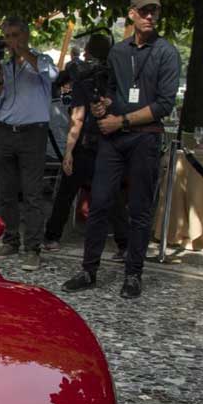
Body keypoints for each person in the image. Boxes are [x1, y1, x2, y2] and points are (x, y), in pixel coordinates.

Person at [63, 0, 182, 300]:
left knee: (140, 207)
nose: (150, 16)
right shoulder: (118, 52)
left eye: (154, 11)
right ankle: (89, 269)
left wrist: (122, 121)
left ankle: (133, 274)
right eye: (144, 11)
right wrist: (103, 105)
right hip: (113, 138)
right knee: (100, 202)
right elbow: (113, 91)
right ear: (132, 13)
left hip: (145, 137)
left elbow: (164, 104)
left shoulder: (166, 53)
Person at [42, 33, 126, 257]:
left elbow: (77, 118)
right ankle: (124, 243)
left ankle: (52, 236)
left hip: (88, 142)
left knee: (67, 191)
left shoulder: (85, 78)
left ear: (89, 52)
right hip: (108, 142)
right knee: (113, 194)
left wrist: (69, 151)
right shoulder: (116, 76)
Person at [0, 16, 57, 267]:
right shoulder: (5, 65)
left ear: (26, 35)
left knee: (32, 192)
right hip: (6, 130)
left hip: (32, 132)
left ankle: (33, 247)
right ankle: (10, 239)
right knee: (6, 190)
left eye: (16, 35)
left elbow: (52, 75)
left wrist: (24, 52)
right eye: (8, 37)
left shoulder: (41, 59)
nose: (11, 41)